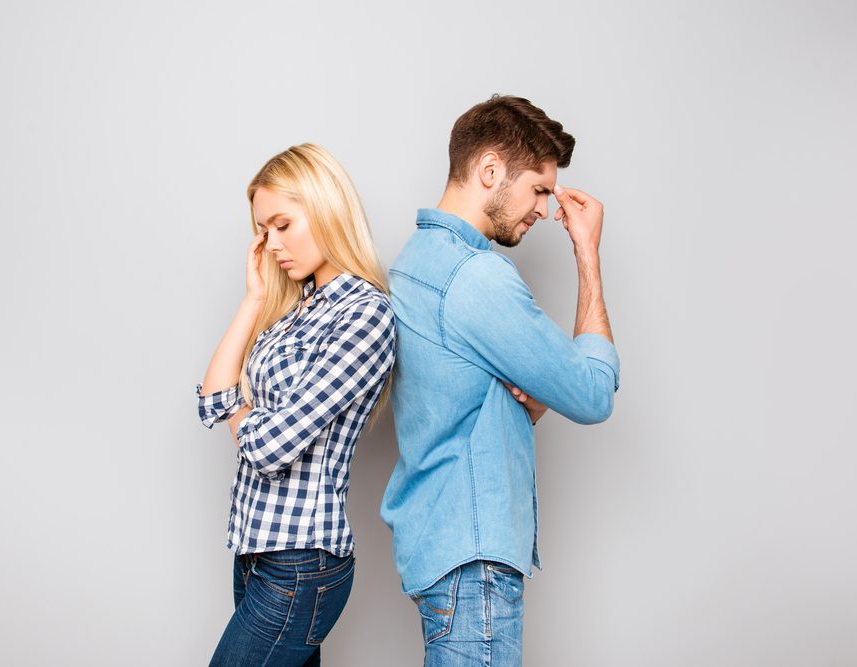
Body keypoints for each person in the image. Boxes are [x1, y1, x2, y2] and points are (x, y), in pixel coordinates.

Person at [380, 95, 621, 665]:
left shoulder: (413, 263)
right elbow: (592, 393)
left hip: (441, 553)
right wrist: (587, 251)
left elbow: (451, 389)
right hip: (473, 567)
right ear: (490, 171)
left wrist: (519, 400)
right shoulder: (475, 280)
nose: (545, 209)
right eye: (539, 189)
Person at [197, 143, 395, 667]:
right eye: (263, 231)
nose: (272, 245)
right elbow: (210, 395)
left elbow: (267, 447)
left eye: (282, 224)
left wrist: (239, 414)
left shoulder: (365, 314)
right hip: (254, 552)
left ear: (326, 208)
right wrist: (254, 300)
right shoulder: (291, 312)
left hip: (300, 562)